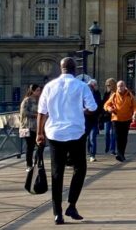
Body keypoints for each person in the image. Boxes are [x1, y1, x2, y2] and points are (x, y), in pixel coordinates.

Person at [36, 57, 98, 226]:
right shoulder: (82, 86)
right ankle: (71, 204)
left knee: (57, 173)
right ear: (74, 70)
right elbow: (93, 108)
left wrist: (39, 134)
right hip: (75, 132)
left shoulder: (49, 86)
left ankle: (57, 214)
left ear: (61, 68)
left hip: (54, 134)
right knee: (80, 169)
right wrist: (82, 110)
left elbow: (42, 112)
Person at [103, 80, 136, 162]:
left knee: (124, 137)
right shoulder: (114, 95)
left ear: (124, 86)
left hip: (126, 119)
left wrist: (135, 114)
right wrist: (109, 109)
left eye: (122, 86)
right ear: (117, 87)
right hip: (116, 119)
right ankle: (119, 154)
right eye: (119, 86)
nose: (120, 87)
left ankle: (122, 154)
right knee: (118, 136)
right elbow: (106, 105)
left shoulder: (129, 95)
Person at [20, 83, 41, 170]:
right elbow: (24, 113)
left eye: (40, 90)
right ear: (32, 91)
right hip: (28, 126)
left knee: (40, 145)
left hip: (37, 127)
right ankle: (29, 165)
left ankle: (37, 162)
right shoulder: (27, 100)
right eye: (38, 90)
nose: (39, 92)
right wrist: (36, 115)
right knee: (30, 146)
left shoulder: (39, 100)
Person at [84, 79, 102, 162]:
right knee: (84, 138)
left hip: (94, 119)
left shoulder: (96, 94)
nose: (94, 86)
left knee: (92, 137)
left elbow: (99, 105)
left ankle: (92, 154)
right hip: (85, 119)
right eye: (92, 85)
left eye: (95, 85)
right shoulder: (84, 93)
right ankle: (86, 153)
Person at [101, 78, 117, 155]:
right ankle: (107, 147)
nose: (108, 86)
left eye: (109, 85)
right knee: (107, 133)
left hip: (115, 116)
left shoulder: (117, 93)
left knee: (113, 133)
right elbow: (103, 104)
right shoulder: (106, 94)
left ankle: (112, 149)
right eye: (107, 85)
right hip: (107, 116)